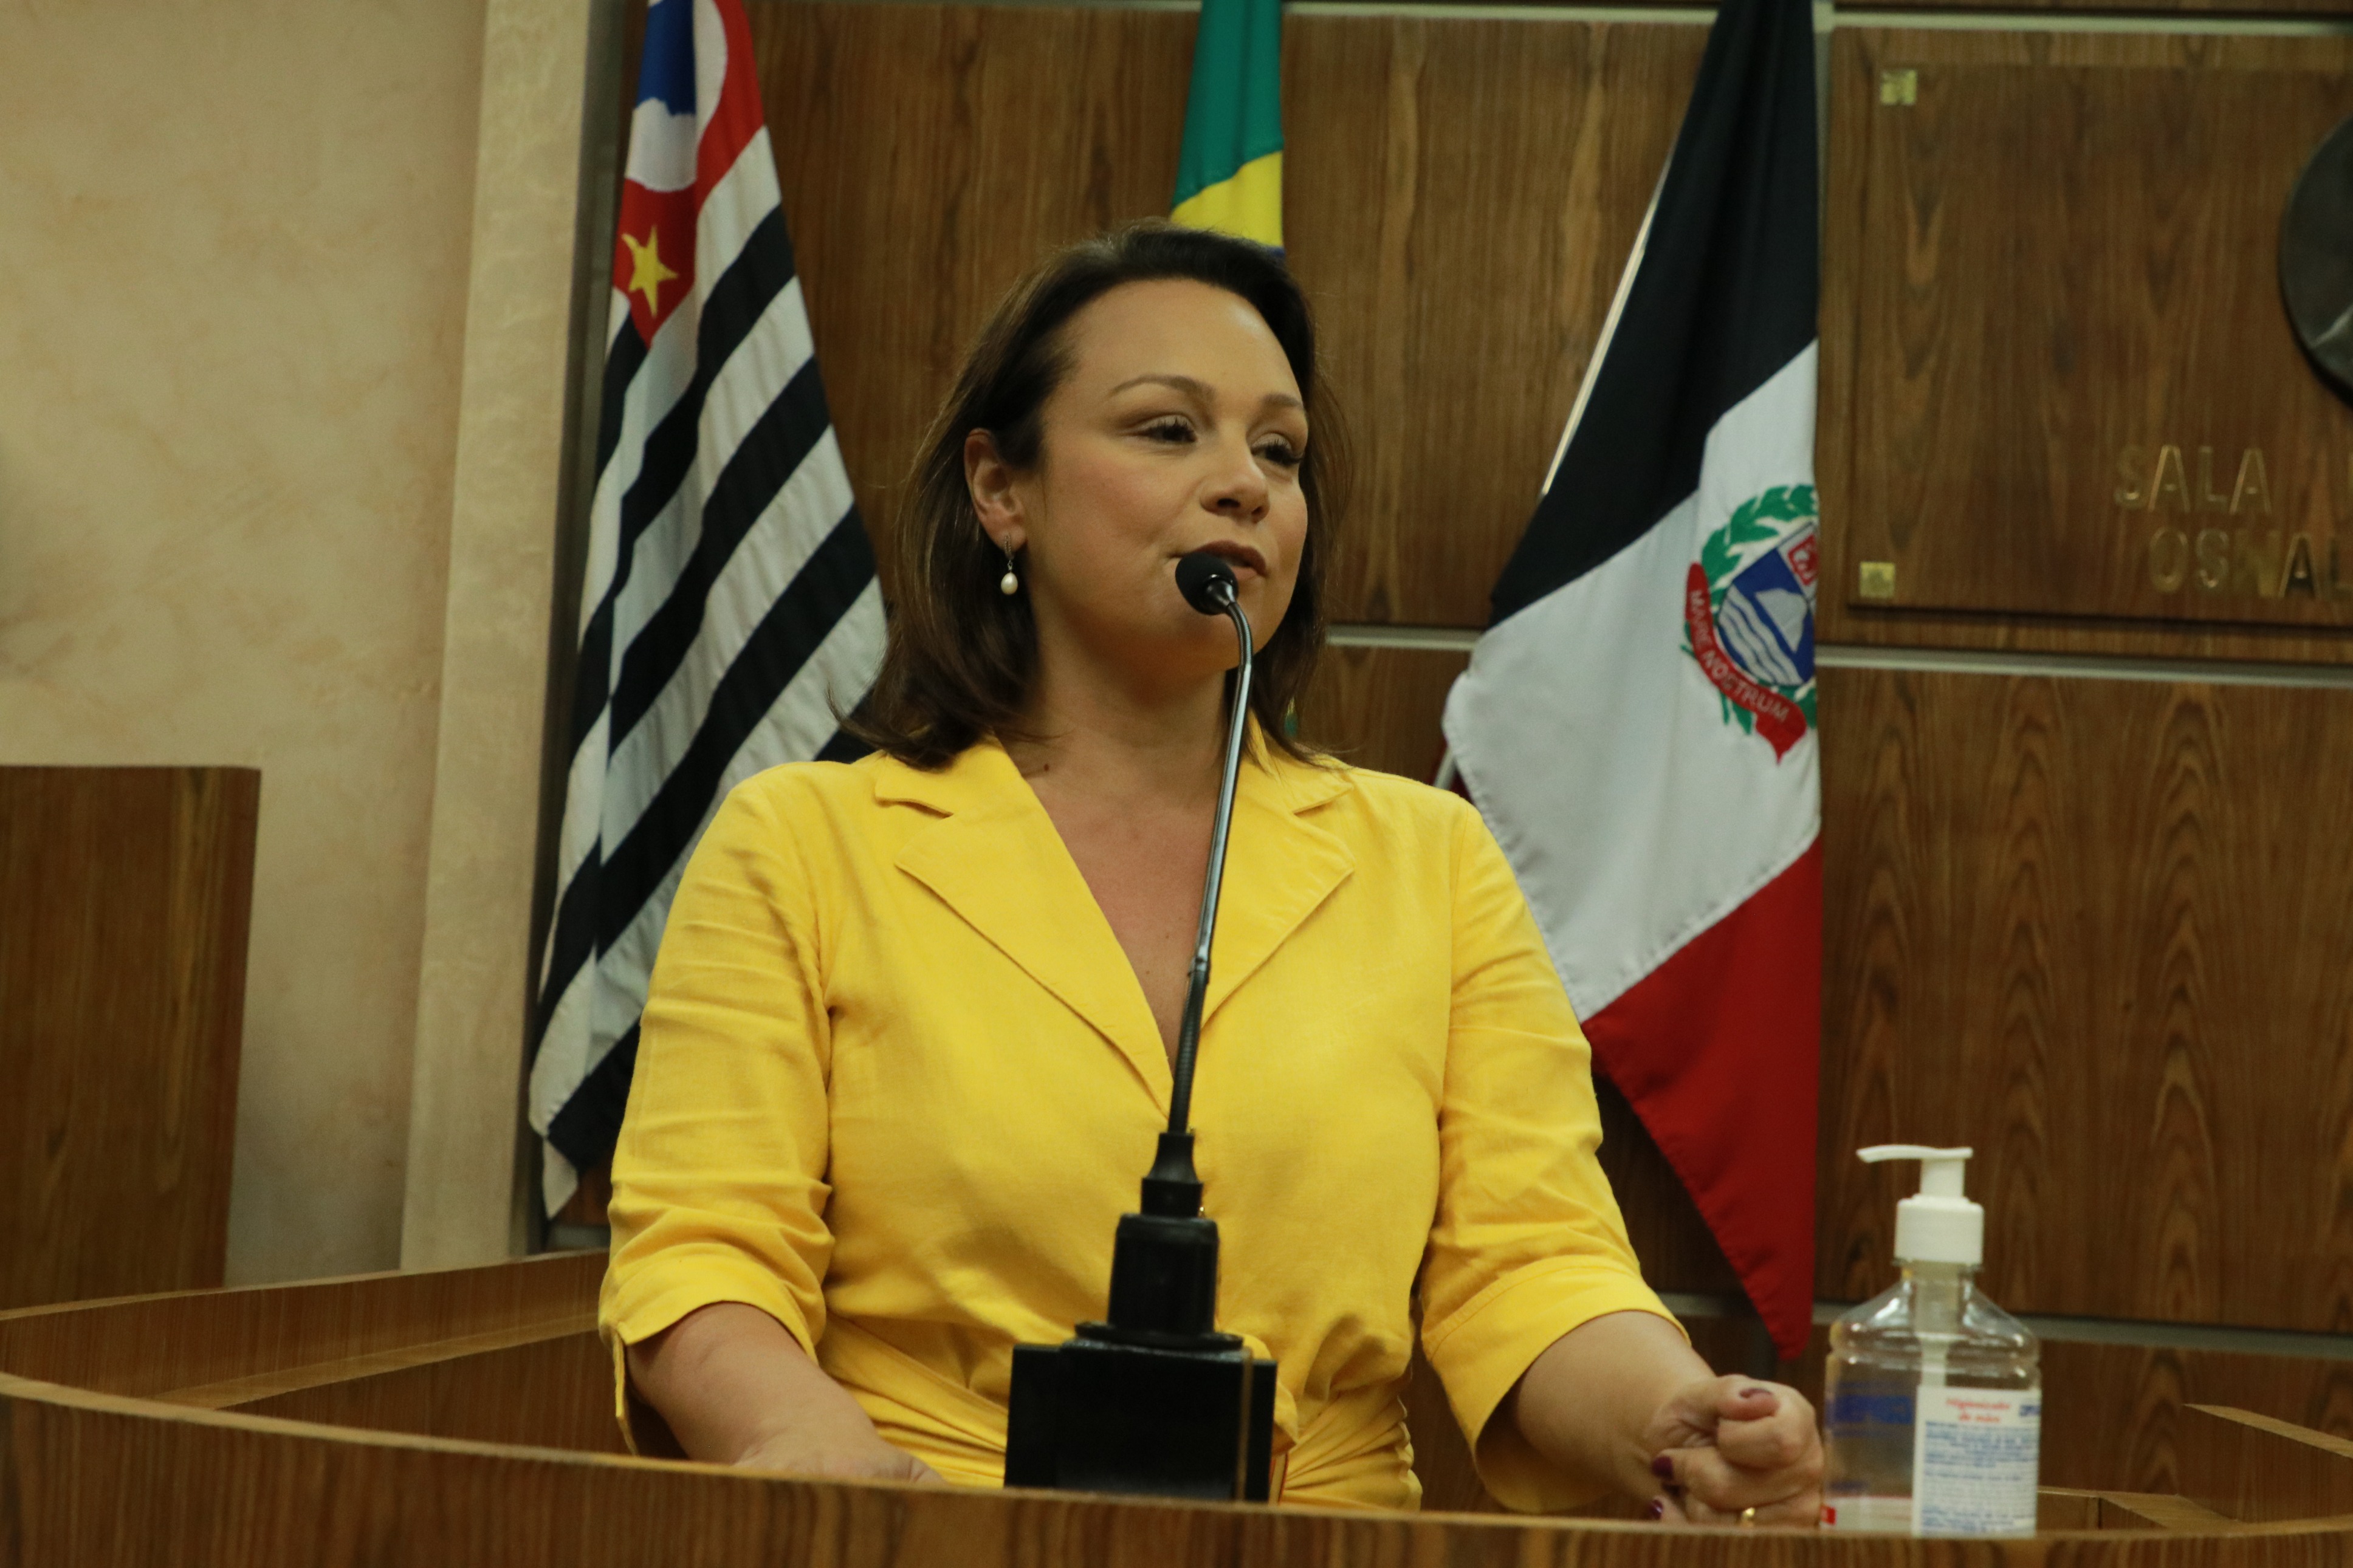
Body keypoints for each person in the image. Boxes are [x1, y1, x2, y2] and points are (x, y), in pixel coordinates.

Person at [599, 221, 1823, 1521]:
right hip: (926, 1528)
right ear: (1001, 488)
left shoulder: (1431, 861)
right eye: (1168, 429)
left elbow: (1533, 1264)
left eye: (1278, 451)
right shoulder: (806, 842)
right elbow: (704, 1254)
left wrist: (1672, 1418)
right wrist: (815, 1456)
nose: (1243, 483)